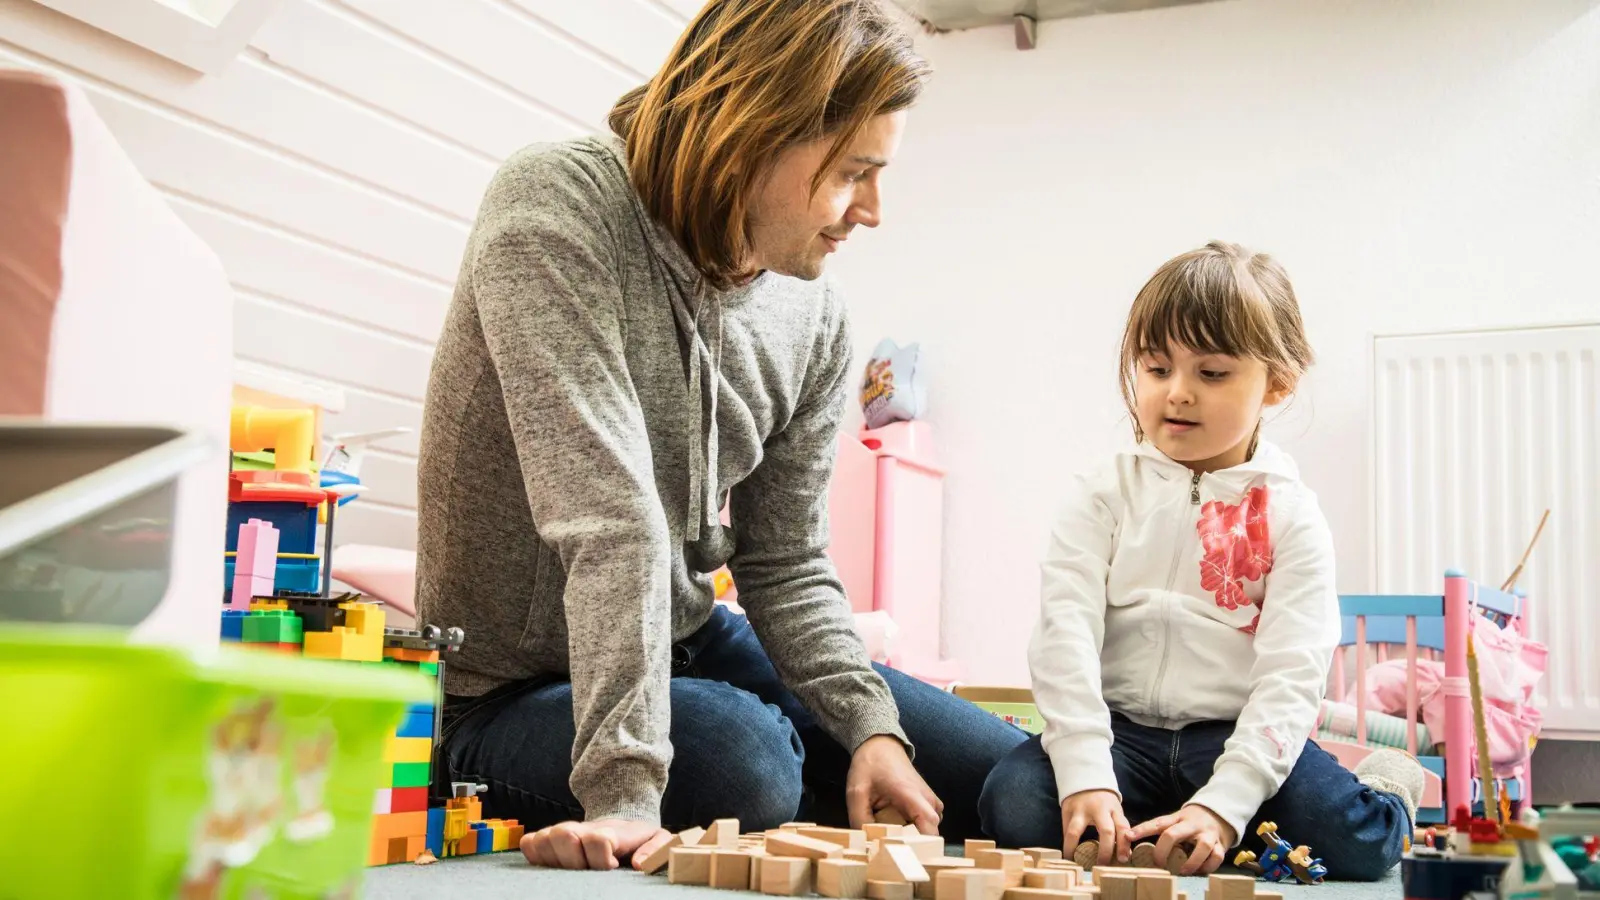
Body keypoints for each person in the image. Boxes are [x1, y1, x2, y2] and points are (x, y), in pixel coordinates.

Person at [415, 0, 1026, 873]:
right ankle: (768, 770)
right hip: (508, 694)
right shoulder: (556, 202)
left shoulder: (813, 314)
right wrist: (624, 795)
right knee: (744, 762)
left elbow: (787, 559)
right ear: (754, 130)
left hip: (692, 640)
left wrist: (867, 724)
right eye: (855, 171)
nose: (874, 211)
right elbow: (609, 517)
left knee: (1013, 782)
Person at [977, 241, 1427, 881]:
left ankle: (1387, 786)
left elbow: (1292, 674)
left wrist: (1226, 803)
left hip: (1234, 735)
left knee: (1356, 842)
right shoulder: (1102, 493)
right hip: (1122, 733)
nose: (1177, 394)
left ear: (1276, 383)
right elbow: (1064, 635)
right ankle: (1151, 814)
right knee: (1013, 802)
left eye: (1210, 374)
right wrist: (1085, 775)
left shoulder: (1292, 515)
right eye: (1157, 370)